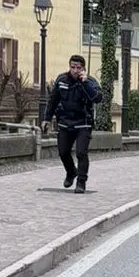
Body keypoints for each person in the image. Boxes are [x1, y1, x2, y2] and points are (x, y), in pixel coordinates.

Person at [43, 54, 103, 192]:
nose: (75, 70)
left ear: (83, 68)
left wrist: (85, 83)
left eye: (78, 68)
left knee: (81, 153)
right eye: (73, 67)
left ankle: (81, 182)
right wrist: (47, 118)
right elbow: (53, 100)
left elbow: (98, 98)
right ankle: (71, 172)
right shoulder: (61, 80)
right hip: (65, 122)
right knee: (63, 152)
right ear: (69, 67)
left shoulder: (90, 82)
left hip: (83, 123)